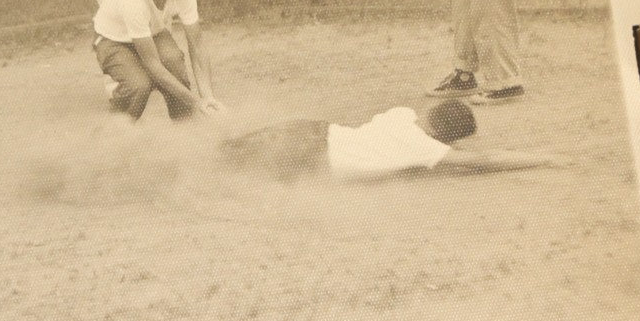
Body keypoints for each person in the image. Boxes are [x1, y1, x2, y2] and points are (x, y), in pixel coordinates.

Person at [219, 98, 559, 183]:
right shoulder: (426, 149)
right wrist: (544, 158)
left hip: (311, 130)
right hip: (313, 155)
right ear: (448, 139)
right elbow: (486, 161)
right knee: (230, 173)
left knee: (227, 155)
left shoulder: (402, 114)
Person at [92, 0, 221, 121]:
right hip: (113, 40)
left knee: (175, 63)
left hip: (152, 33)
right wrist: (196, 102)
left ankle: (185, 129)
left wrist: (208, 97)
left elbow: (198, 46)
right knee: (139, 85)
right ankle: (116, 132)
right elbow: (152, 64)